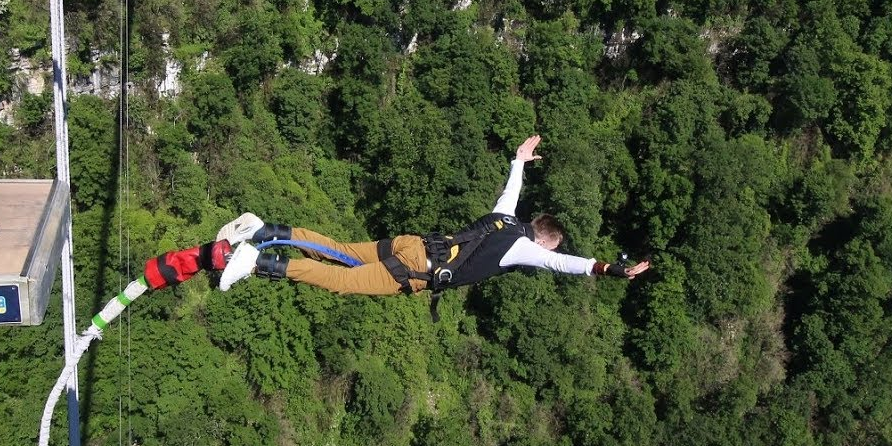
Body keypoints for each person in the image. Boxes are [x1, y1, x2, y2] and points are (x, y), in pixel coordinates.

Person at [216, 136, 650, 306]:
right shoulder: (525, 250)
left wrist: (519, 160)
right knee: (340, 279)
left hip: (415, 244)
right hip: (417, 270)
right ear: (547, 241)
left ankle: (264, 230)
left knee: (339, 249)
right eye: (549, 248)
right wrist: (611, 269)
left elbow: (510, 190)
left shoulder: (505, 219)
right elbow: (566, 264)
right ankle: (256, 262)